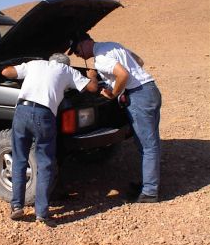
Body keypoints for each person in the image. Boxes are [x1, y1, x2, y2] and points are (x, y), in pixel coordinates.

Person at [1, 53, 98, 226]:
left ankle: (17, 205)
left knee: (19, 159)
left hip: (21, 112)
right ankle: (42, 213)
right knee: (45, 164)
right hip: (44, 116)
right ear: (65, 64)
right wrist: (92, 76)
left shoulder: (35, 63)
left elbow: (6, 73)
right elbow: (92, 88)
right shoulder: (67, 70)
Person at [68, 34, 162, 203]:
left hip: (139, 95)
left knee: (148, 145)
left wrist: (113, 93)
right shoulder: (112, 45)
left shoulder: (101, 59)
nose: (77, 54)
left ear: (86, 42)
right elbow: (139, 61)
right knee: (146, 143)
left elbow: (123, 75)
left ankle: (150, 192)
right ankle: (149, 183)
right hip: (149, 89)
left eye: (76, 49)